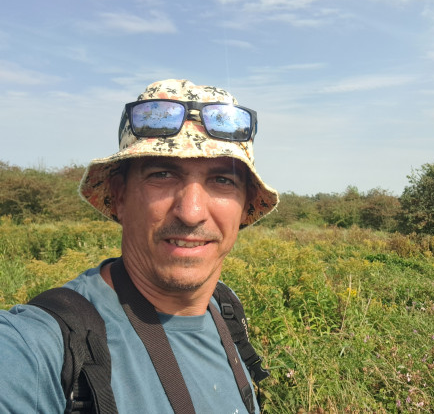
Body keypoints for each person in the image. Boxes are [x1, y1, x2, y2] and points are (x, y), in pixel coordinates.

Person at [0, 79, 279, 413]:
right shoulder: (39, 345)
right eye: (162, 175)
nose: (191, 212)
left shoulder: (225, 309)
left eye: (222, 180)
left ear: (245, 205)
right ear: (120, 196)